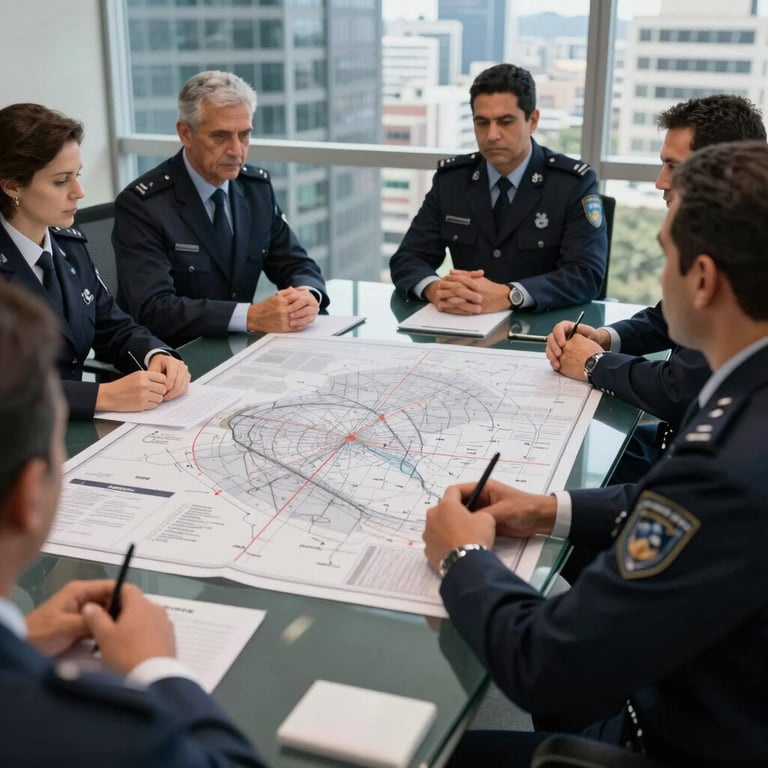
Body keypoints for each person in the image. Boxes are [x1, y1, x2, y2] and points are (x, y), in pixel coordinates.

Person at [423, 139, 768, 767]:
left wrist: (463, 558)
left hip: (673, 737)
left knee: (422, 754)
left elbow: (546, 665)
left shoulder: (725, 459)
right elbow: (669, 506)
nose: (657, 278)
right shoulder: (745, 403)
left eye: (666, 256)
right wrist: (543, 509)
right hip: (722, 691)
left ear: (703, 279)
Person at [0, 281, 265, 767]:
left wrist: (19, 639)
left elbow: (114, 322)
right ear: (28, 497)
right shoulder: (100, 734)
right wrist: (159, 669)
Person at [546, 95, 766, 478]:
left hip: (703, 463)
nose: (660, 181)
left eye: (673, 167)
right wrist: (604, 337)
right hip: (673, 438)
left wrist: (593, 363)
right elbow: (665, 319)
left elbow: (680, 388)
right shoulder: (728, 238)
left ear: (719, 173)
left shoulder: (748, 257)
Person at [0, 103, 190, 420]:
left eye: (78, 175)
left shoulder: (68, 244)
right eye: (61, 181)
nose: (80, 192)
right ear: (12, 186)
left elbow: (113, 325)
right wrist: (102, 395)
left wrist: (156, 354)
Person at [114, 70, 328, 347]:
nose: (237, 151)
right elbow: (154, 308)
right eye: (221, 136)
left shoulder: (255, 188)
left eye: (245, 135)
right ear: (185, 133)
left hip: (240, 349)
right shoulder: (143, 205)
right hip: (172, 358)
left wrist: (307, 295)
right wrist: (249, 317)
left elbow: (295, 262)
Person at [389, 63, 606, 314]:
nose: (492, 135)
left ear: (532, 120)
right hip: (464, 329)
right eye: (482, 122)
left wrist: (510, 295)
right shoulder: (453, 180)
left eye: (505, 122)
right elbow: (408, 258)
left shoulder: (571, 183)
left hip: (542, 336)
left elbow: (585, 275)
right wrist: (436, 289)